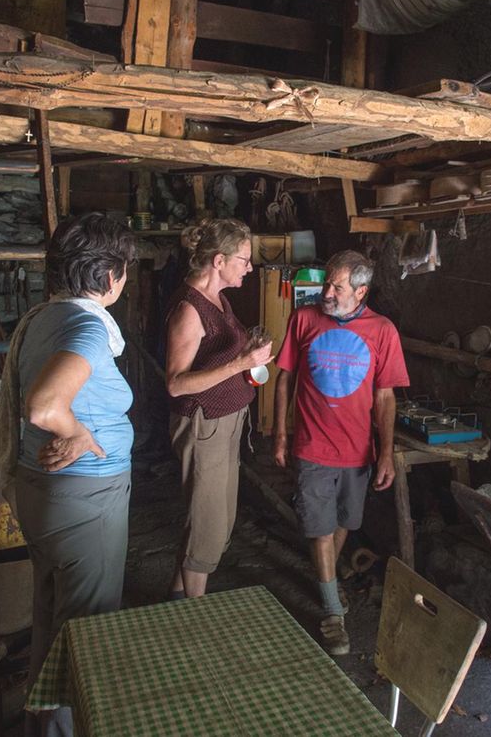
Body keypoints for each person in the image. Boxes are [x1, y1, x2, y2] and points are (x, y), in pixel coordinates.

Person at [0, 213, 136, 716]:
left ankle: (44, 724)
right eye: (124, 269)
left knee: (53, 628)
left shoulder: (44, 316)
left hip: (48, 494)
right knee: (86, 638)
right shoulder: (85, 325)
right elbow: (44, 406)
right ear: (109, 274)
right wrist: (77, 431)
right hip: (84, 502)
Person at [273, 250, 409, 655]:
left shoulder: (382, 331)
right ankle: (332, 611)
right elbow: (284, 380)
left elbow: (385, 398)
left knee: (345, 520)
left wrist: (386, 452)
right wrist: (280, 434)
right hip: (313, 444)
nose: (326, 292)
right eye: (327, 283)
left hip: (357, 449)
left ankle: (327, 577)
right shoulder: (304, 320)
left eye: (337, 287)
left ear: (361, 291)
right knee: (318, 525)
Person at [164, 218, 272, 599]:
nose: (249, 266)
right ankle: (196, 615)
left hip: (228, 419)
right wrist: (240, 365)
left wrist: (249, 355)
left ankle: (177, 596)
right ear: (219, 261)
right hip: (203, 423)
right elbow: (176, 383)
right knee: (208, 524)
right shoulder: (189, 310)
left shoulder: (219, 300)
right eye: (244, 259)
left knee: (217, 520)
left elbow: (224, 356)